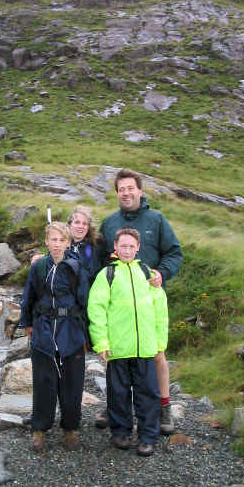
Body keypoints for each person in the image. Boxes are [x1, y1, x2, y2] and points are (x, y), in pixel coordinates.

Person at [97, 168, 183, 434]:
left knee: (156, 354)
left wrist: (162, 272)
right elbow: (97, 256)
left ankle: (163, 406)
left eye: (130, 188)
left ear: (140, 190)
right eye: (121, 189)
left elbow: (174, 253)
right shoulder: (109, 223)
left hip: (149, 301)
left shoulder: (156, 220)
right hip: (119, 304)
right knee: (115, 356)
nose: (126, 193)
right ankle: (116, 407)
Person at [88, 228, 168, 456]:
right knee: (119, 394)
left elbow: (160, 310)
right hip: (118, 348)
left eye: (131, 246)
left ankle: (147, 437)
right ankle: (120, 433)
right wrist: (101, 343)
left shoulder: (148, 274)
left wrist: (159, 342)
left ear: (138, 248)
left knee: (148, 394)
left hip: (145, 349)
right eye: (123, 246)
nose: (127, 250)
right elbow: (96, 309)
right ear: (115, 247)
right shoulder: (107, 275)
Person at [19, 222, 89, 452]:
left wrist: (87, 334)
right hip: (44, 330)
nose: (57, 244)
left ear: (68, 243)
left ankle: (71, 428)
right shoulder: (38, 267)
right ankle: (39, 429)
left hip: (71, 332)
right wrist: (27, 323)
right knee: (43, 383)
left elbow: (86, 302)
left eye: (62, 240)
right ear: (46, 241)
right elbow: (28, 297)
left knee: (73, 384)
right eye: (53, 240)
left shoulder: (76, 267)